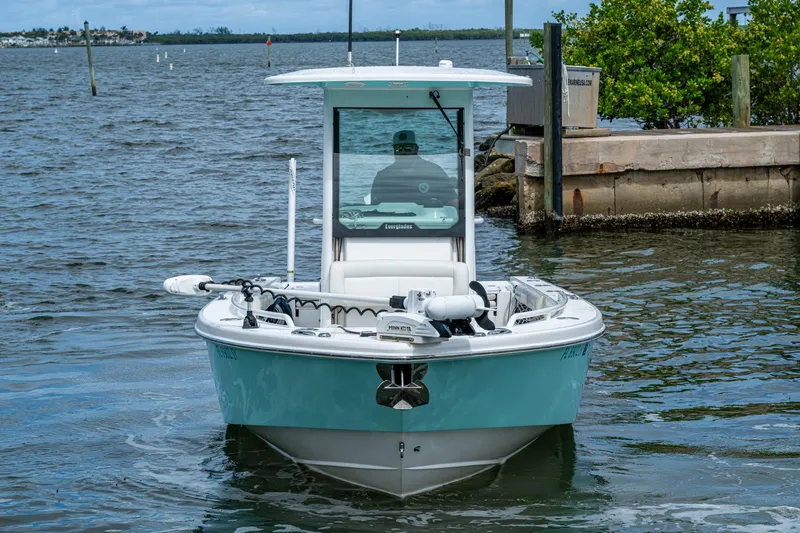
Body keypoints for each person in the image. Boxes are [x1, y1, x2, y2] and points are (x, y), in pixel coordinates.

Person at [370, 130, 458, 206]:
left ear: (416, 150)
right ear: (394, 151)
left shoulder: (435, 172)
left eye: (408, 148)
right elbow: (374, 208)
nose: (403, 152)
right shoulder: (383, 177)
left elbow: (454, 203)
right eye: (398, 149)